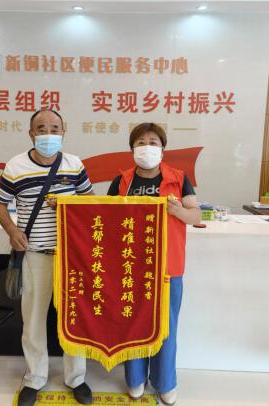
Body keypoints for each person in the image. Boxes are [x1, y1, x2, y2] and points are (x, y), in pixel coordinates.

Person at [0, 109, 94, 406]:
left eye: (54, 128)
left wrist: (66, 204)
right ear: (31, 133)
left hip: (72, 257)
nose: (48, 134)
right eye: (41, 128)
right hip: (35, 254)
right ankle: (35, 377)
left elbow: (90, 201)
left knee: (74, 319)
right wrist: (11, 230)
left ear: (63, 132)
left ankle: (76, 378)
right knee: (34, 320)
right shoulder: (16, 166)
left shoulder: (74, 164)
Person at [107, 122, 201, 405]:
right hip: (131, 266)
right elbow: (106, 217)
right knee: (132, 324)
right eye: (140, 143)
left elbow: (196, 215)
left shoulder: (179, 178)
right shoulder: (122, 181)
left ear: (162, 149)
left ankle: (165, 382)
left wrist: (179, 210)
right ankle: (135, 379)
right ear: (131, 149)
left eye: (153, 142)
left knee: (166, 327)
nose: (146, 147)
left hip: (168, 267)